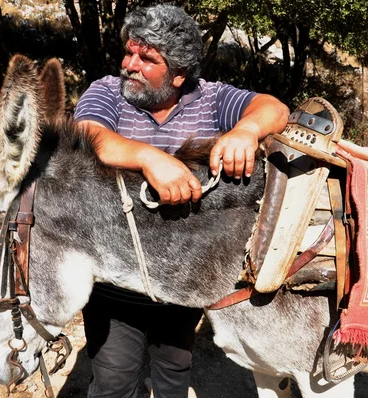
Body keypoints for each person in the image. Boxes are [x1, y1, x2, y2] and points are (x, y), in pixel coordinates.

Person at [73, 4, 289, 398]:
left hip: (184, 281)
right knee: (114, 382)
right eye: (129, 52)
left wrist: (246, 131)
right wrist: (149, 157)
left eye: (146, 58)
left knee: (174, 375)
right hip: (114, 283)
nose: (129, 64)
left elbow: (274, 108)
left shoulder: (210, 98)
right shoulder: (107, 91)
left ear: (179, 73)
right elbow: (87, 134)